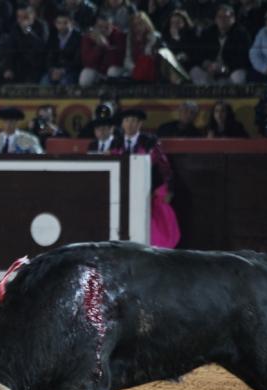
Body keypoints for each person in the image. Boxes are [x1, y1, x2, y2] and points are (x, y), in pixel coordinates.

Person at [109, 108, 180, 248]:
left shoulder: (150, 142)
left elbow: (165, 169)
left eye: (134, 121)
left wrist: (168, 190)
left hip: (146, 192)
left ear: (140, 124)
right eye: (127, 121)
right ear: (122, 124)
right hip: (121, 192)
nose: (130, 124)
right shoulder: (115, 143)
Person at [190, 3, 251, 85]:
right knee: (195, 71)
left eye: (226, 17)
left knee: (239, 75)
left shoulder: (241, 34)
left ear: (233, 19)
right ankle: (208, 97)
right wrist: (207, 64)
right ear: (215, 19)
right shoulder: (208, 33)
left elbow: (243, 58)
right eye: (219, 17)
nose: (222, 20)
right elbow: (198, 53)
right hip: (211, 72)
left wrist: (225, 68)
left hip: (230, 71)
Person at [78, 13, 126, 87]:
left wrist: (105, 45)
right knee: (85, 77)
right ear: (95, 27)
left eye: (107, 27)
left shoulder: (119, 36)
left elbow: (117, 61)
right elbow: (87, 62)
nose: (103, 30)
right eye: (100, 27)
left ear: (112, 26)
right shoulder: (88, 37)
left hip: (115, 70)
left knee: (112, 71)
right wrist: (99, 47)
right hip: (97, 69)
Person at [42, 9, 82, 85]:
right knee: (44, 82)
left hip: (71, 72)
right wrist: (52, 70)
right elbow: (48, 57)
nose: (62, 26)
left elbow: (78, 61)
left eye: (65, 23)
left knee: (64, 83)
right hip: (54, 71)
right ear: (55, 24)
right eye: (59, 23)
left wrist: (63, 71)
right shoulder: (52, 37)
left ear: (72, 23)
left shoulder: (78, 38)